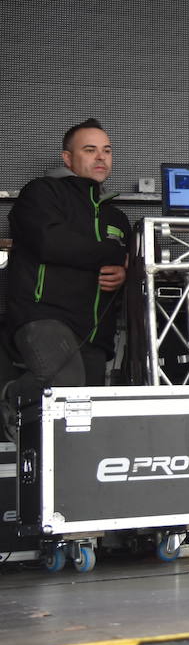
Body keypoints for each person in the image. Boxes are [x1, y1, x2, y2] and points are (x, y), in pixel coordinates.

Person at [1, 119, 130, 438]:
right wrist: (111, 254)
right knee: (65, 383)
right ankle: (12, 395)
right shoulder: (42, 192)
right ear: (67, 158)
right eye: (90, 150)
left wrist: (125, 272)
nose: (101, 157)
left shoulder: (117, 217)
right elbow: (49, 243)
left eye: (107, 150)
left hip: (94, 331)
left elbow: (130, 263)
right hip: (42, 316)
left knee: (82, 417)